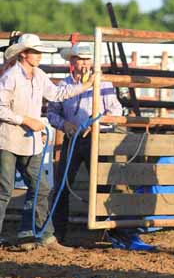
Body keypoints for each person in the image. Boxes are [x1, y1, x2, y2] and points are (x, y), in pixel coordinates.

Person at [0, 34, 96, 250]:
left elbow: (57, 94)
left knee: (40, 189)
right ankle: (38, 235)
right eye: (35, 51)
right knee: (4, 191)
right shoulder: (11, 77)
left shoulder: (39, 75)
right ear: (24, 54)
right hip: (7, 139)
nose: (39, 55)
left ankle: (39, 235)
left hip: (29, 141)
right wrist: (25, 120)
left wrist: (85, 85)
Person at [47, 43, 123, 244]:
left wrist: (96, 124)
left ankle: (102, 230)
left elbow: (115, 110)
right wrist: (65, 125)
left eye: (87, 59)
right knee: (63, 184)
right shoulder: (63, 86)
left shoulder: (104, 84)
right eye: (80, 59)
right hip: (72, 138)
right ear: (72, 62)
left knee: (102, 185)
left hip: (97, 139)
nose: (84, 63)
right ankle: (58, 232)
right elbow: (52, 112)